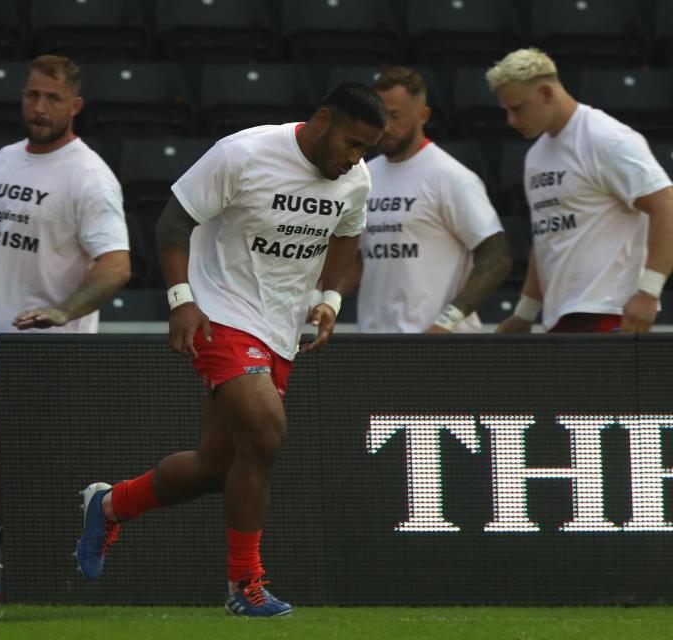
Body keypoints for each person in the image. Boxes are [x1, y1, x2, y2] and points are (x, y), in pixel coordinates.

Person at [75, 83, 387, 617]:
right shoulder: (243, 153)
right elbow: (174, 222)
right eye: (352, 143)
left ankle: (109, 506)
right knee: (266, 433)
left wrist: (330, 298)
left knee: (218, 466)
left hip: (281, 328)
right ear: (321, 120)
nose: (355, 158)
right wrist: (182, 301)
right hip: (223, 312)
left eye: (365, 149)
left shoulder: (354, 179)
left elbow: (347, 233)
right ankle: (246, 584)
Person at [0, 55, 130, 533]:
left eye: (52, 98)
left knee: (40, 466)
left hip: (49, 347)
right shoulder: (4, 159)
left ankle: (40, 552)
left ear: (75, 106)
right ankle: (26, 539)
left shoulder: (90, 175)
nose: (40, 107)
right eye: (32, 95)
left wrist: (62, 311)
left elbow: (116, 265)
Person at [487, 48, 673, 333]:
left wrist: (649, 292)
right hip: (559, 316)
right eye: (506, 111)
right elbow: (546, 236)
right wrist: (525, 314)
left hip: (609, 311)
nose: (511, 120)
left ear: (547, 93)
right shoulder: (536, 156)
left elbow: (666, 205)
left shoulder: (606, 138)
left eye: (518, 108)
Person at [350, 67, 511, 332]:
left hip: (440, 344)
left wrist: (446, 322)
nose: (384, 127)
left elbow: (497, 256)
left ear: (423, 115)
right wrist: (321, 298)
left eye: (395, 116)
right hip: (376, 340)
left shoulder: (451, 177)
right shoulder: (363, 176)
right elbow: (357, 257)